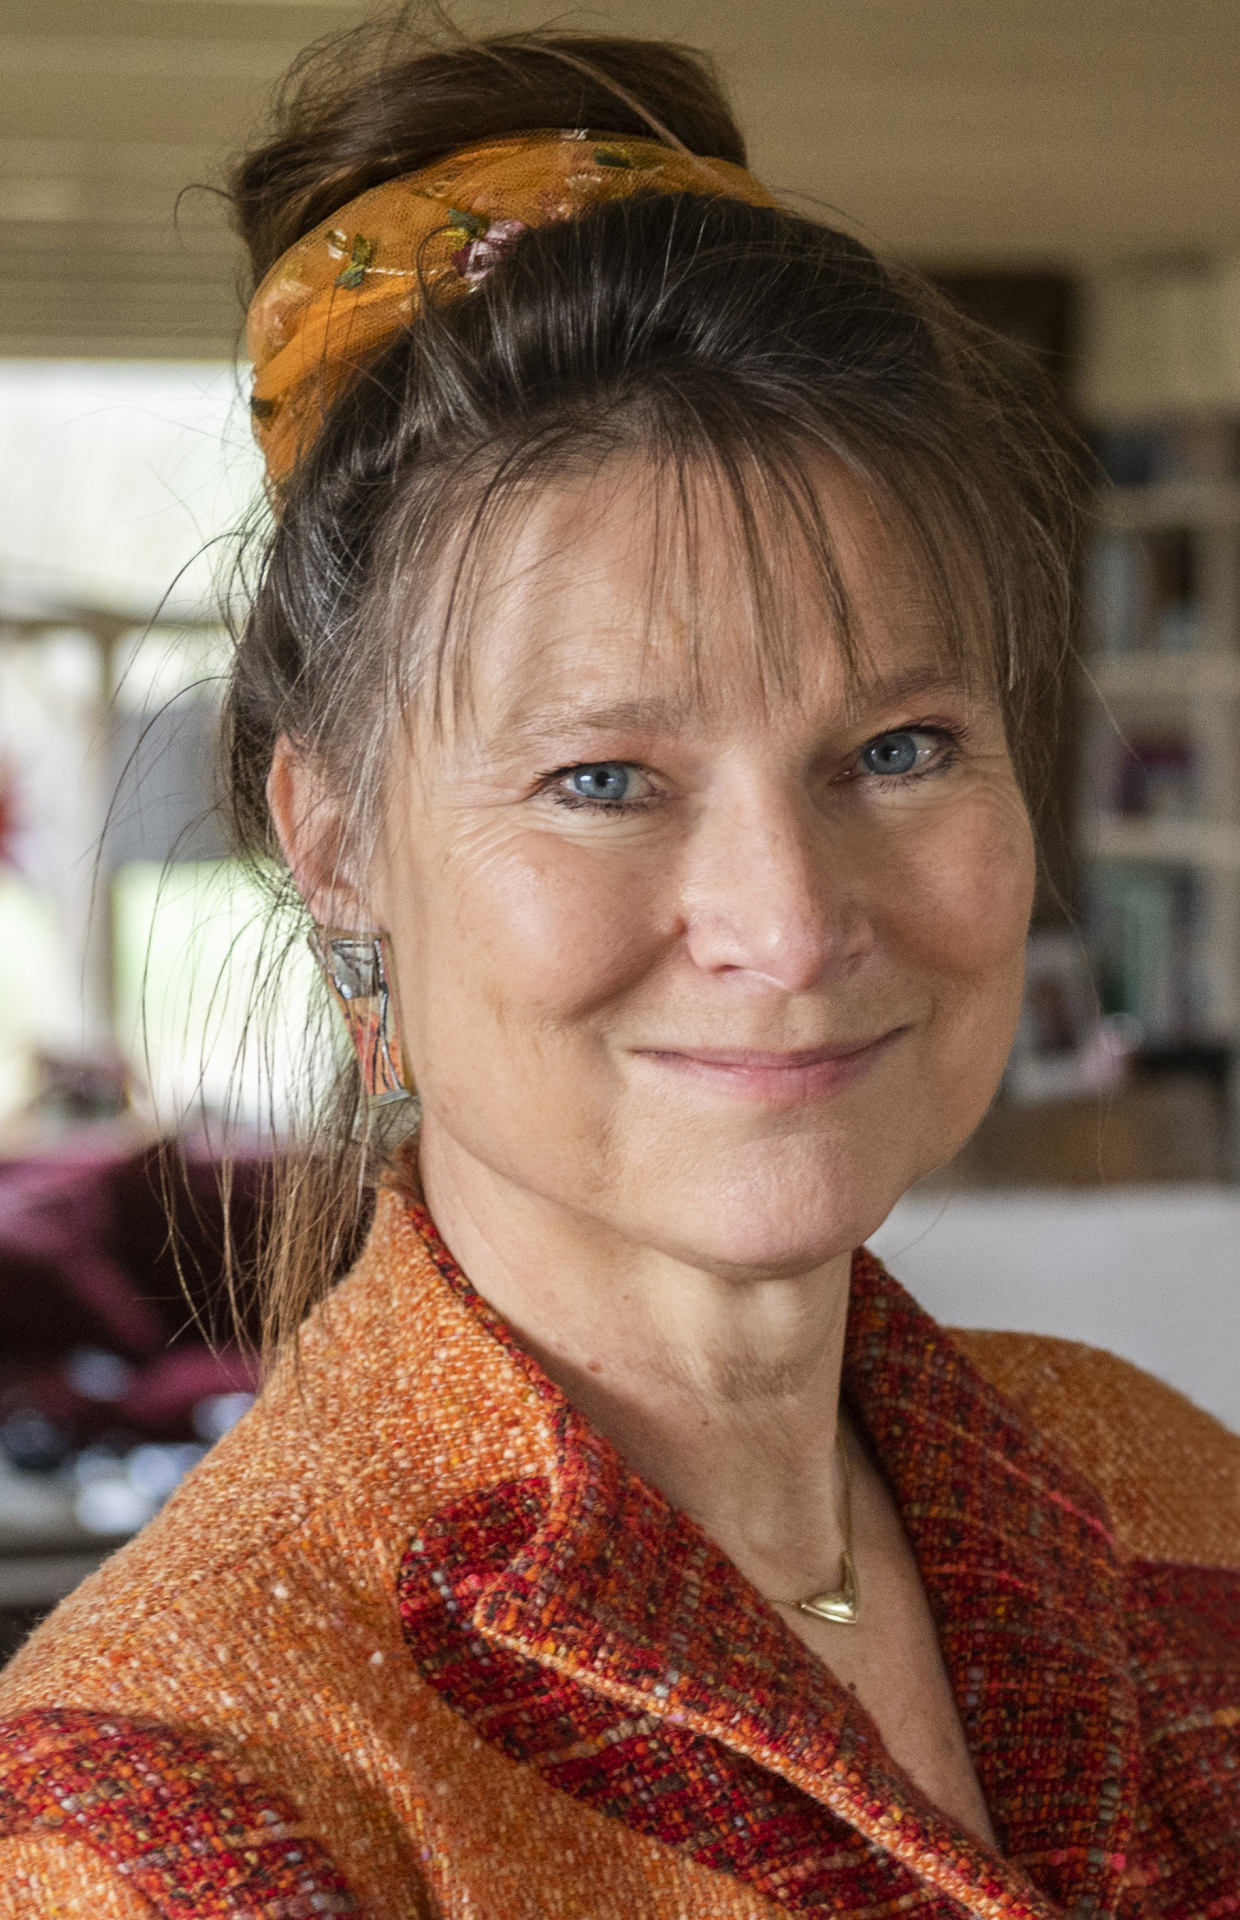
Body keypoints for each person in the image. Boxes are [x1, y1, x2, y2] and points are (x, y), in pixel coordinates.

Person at [1, 22, 1237, 1920]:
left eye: (897, 749)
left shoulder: (1167, 1500)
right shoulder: (176, 1799)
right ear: (338, 850)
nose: (790, 923)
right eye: (601, 780)